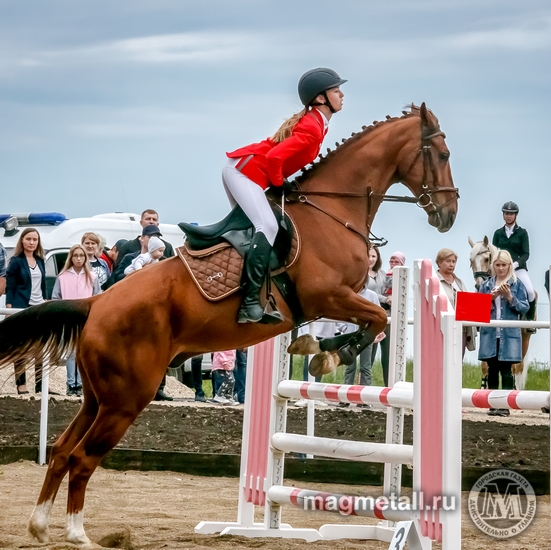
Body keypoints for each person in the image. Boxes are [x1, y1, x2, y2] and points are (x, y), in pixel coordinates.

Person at [224, 67, 346, 324]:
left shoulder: (317, 122)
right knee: (266, 225)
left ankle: (250, 294)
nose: (342, 94)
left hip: (248, 171)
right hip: (244, 172)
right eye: (336, 90)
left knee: (253, 231)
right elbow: (275, 157)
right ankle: (248, 304)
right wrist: (280, 184)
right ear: (321, 98)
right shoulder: (313, 126)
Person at [478, 250, 529, 417]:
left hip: (508, 335)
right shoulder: (486, 285)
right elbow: (477, 310)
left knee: (506, 369)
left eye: (504, 265)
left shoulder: (517, 284)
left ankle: (504, 406)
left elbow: (524, 307)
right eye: (498, 265)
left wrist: (510, 297)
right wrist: (489, 298)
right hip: (491, 334)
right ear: (493, 266)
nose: (500, 268)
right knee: (492, 368)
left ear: (509, 266)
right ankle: (493, 405)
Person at [51, 244, 102, 396]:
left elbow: (98, 296)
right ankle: (71, 384)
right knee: (70, 353)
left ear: (85, 258)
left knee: (82, 352)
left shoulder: (92, 277)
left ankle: (81, 385)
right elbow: (56, 297)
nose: (79, 258)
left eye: (81, 255)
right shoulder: (63, 277)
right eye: (76, 255)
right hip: (68, 318)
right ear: (71, 258)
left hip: (86, 318)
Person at [5, 228, 46, 394]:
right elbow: (10, 286)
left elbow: (43, 286)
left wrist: (46, 300)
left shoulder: (40, 260)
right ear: (22, 240)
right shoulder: (16, 261)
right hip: (21, 306)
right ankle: (21, 386)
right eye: (28, 239)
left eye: (35, 239)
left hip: (39, 307)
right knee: (21, 348)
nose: (31, 242)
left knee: (40, 348)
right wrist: (9, 308)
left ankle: (40, 385)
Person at [492, 202, 536, 328]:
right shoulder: (497, 233)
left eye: (511, 214)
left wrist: (515, 264)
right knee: (484, 289)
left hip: (518, 268)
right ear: (503, 215)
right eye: (506, 213)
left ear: (516, 215)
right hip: (500, 269)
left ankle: (530, 321)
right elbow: (494, 253)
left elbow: (526, 254)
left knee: (530, 291)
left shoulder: (522, 233)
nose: (509, 216)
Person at [435, 248, 476, 357]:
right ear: (439, 262)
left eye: (453, 261)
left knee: (457, 362)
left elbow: (468, 306)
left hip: (460, 329)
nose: (451, 264)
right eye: (448, 261)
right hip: (440, 329)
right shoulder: (433, 281)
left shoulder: (459, 282)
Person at [375, 251, 406, 387]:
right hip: (379, 312)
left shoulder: (403, 277)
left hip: (392, 315)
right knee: (370, 351)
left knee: (388, 353)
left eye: (396, 262)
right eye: (391, 261)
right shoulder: (383, 275)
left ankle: (390, 384)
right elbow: (379, 293)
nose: (393, 264)